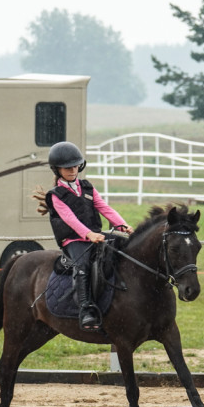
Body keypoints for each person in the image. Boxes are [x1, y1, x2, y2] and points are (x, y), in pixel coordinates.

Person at [41, 141, 131, 331]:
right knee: (82, 265)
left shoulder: (87, 187)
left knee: (124, 246)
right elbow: (70, 219)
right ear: (56, 169)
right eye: (67, 167)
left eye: (75, 165)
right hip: (74, 239)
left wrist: (121, 223)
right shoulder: (56, 195)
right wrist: (88, 234)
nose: (72, 170)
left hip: (95, 235)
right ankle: (85, 309)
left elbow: (103, 207)